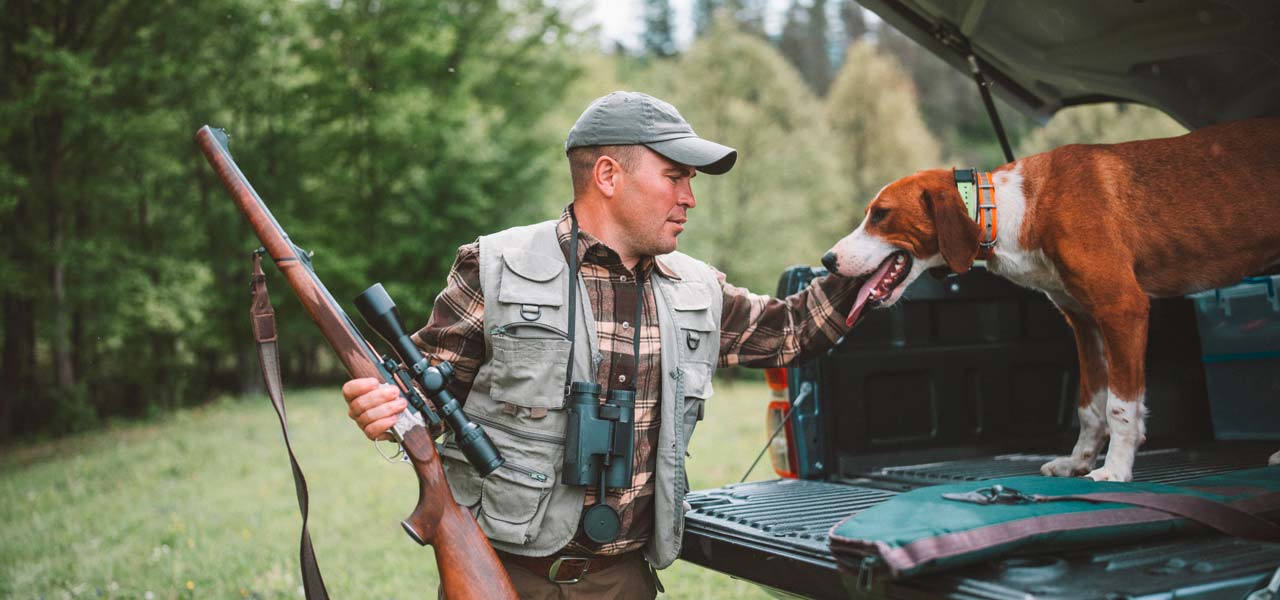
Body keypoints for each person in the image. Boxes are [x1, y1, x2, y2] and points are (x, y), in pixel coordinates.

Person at [342, 91, 859, 599]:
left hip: (625, 581)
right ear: (608, 175)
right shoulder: (493, 267)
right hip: (500, 576)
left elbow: (796, 329)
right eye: (675, 177)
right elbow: (422, 400)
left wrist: (887, 242)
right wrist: (382, 407)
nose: (689, 198)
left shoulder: (698, 289)